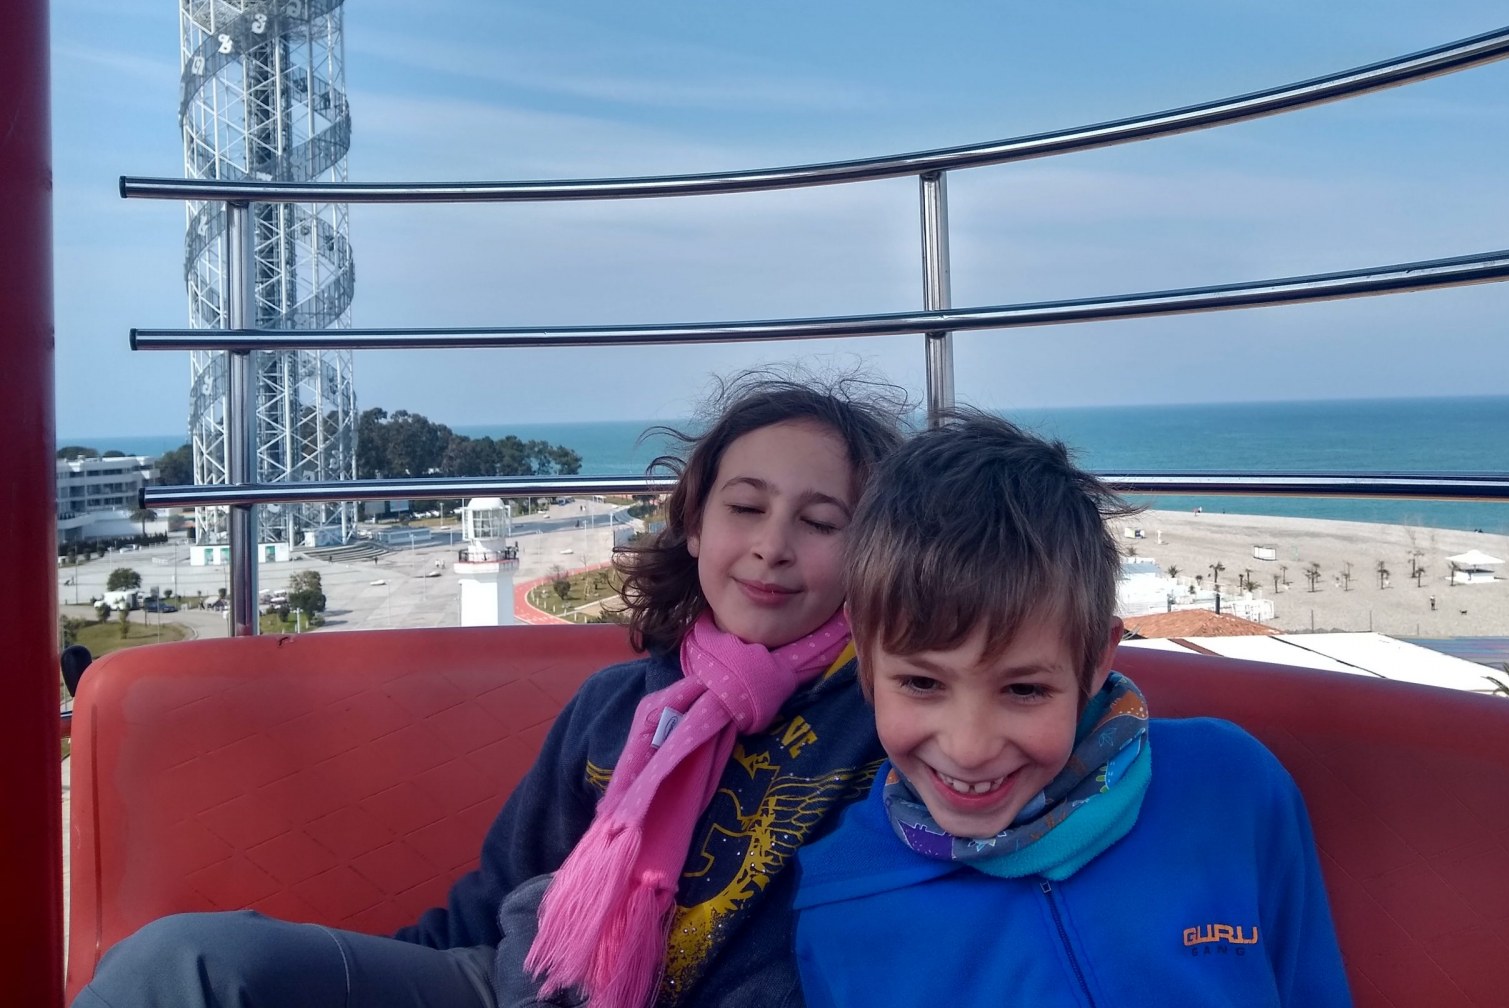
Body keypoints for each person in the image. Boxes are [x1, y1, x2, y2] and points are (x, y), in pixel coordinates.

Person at [76, 371, 905, 1008]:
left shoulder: (890, 716)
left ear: (873, 551)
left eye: (820, 522)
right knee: (183, 965)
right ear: (693, 523)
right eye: (746, 508)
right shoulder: (618, 706)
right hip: (514, 984)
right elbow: (497, 896)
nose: (771, 546)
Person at [793, 411, 1351, 1007]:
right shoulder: (840, 903)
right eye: (922, 683)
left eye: (1024, 690)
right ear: (864, 652)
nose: (969, 748)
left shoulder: (1232, 787)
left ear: (1096, 660)